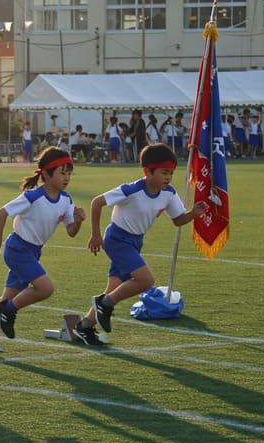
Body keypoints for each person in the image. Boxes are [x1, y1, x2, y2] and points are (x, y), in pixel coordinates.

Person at [73, 142, 209, 345]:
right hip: (117, 239)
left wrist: (193, 214)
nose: (168, 177)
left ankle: (83, 327)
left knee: (114, 286)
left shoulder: (169, 193)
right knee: (146, 281)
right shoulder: (131, 190)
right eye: (164, 172)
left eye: (171, 173)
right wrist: (95, 234)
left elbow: (178, 219)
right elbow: (97, 202)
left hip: (136, 242)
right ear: (147, 171)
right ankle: (105, 303)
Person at [0, 148, 85, 348]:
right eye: (62, 173)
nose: (67, 177)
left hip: (33, 252)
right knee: (45, 288)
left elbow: (71, 231)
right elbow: (2, 213)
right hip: (18, 248)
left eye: (69, 173)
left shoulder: (66, 199)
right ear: (45, 173)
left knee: (7, 299)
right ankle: (8, 311)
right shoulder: (33, 196)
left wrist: (77, 221)